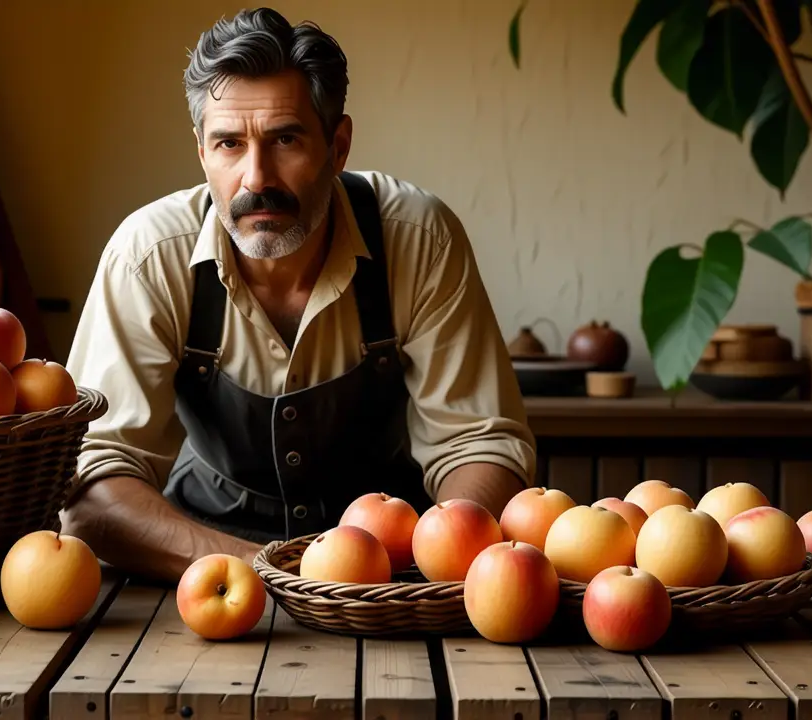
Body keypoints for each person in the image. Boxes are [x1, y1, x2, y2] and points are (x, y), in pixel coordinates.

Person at [59, 7, 536, 583]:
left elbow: (480, 445)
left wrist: (429, 561)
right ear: (202, 152)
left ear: (338, 146)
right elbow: (89, 482)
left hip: (392, 573)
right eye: (229, 144)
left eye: (285, 139)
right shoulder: (149, 255)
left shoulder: (417, 239)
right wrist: (268, 572)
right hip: (199, 567)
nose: (256, 178)